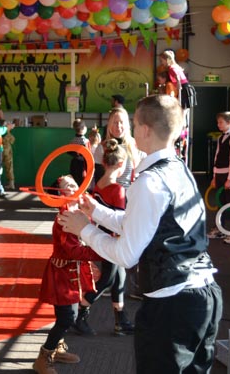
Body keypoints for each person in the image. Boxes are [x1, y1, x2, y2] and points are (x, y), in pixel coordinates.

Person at [58, 94, 222, 373]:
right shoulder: (178, 168)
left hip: (173, 303)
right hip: (204, 294)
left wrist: (84, 228)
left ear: (145, 130)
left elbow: (126, 255)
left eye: (134, 124)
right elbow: (143, 224)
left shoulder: (149, 181)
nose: (132, 131)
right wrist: (96, 211)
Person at [33, 175, 98, 374]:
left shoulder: (78, 211)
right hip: (61, 274)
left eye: (74, 183)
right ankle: (43, 357)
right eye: (67, 186)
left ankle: (57, 348)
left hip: (72, 272)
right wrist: (103, 250)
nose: (74, 187)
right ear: (59, 194)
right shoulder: (65, 216)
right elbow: (73, 250)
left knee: (71, 314)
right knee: (66, 318)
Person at [73, 140, 135, 337]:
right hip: (112, 241)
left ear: (104, 162)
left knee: (119, 278)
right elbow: (119, 220)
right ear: (121, 164)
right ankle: (80, 311)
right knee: (107, 279)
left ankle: (120, 319)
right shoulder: (118, 190)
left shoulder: (98, 185)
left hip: (101, 237)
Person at [208, 112, 230, 244]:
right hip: (220, 174)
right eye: (218, 122)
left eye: (221, 122)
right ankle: (219, 229)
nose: (218, 125)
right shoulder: (221, 137)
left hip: (229, 175)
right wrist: (215, 176)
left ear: (229, 123)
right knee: (220, 202)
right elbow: (217, 157)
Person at [69, 119, 89, 186]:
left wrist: (76, 155)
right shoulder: (85, 141)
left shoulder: (72, 140)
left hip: (74, 162)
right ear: (83, 128)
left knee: (74, 180)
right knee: (82, 181)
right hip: (82, 164)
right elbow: (87, 154)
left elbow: (69, 151)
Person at [1, 122, 16, 190]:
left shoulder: (0, 132)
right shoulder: (8, 134)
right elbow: (12, 140)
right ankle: (11, 184)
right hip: (8, 151)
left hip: (0, 150)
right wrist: (9, 130)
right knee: (9, 167)